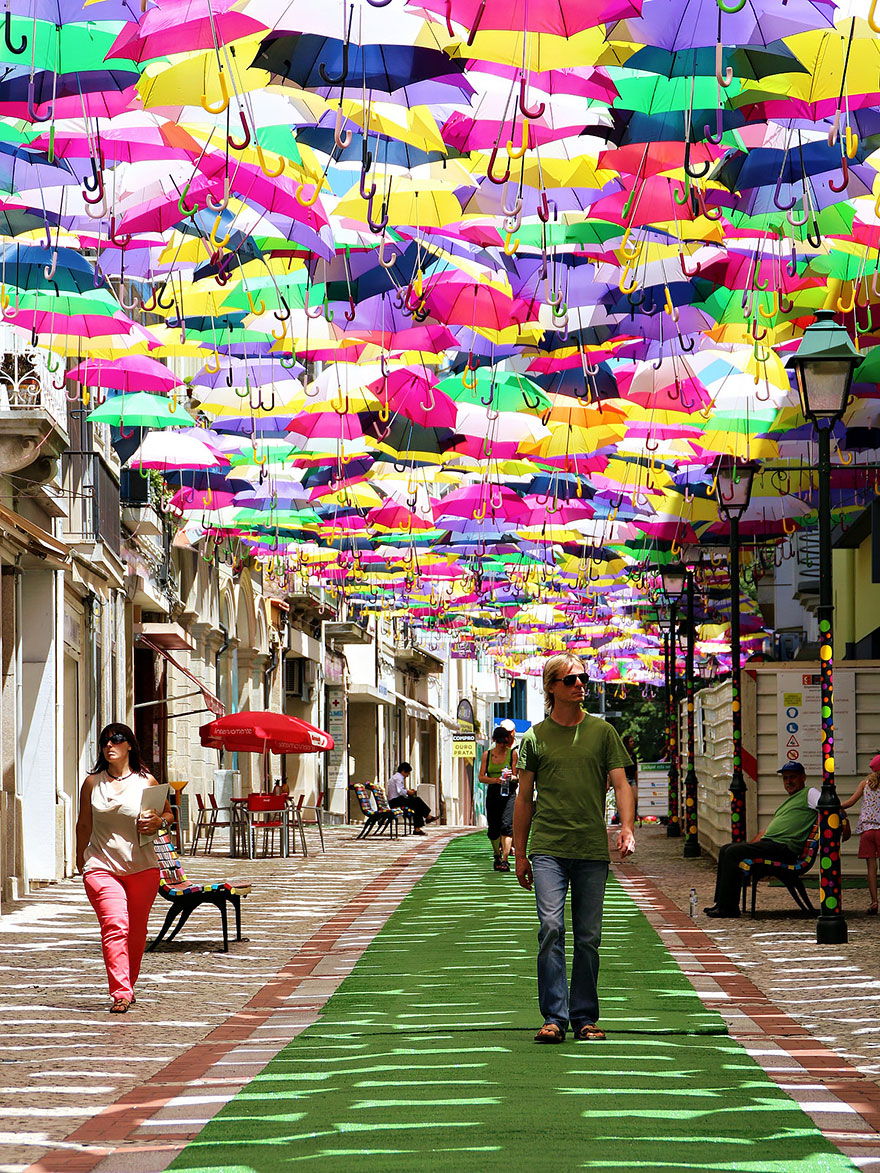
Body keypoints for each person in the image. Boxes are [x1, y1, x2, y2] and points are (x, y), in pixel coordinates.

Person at [514, 653, 634, 1044]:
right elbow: (524, 798)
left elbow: (621, 783)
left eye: (583, 678)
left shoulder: (603, 733)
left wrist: (627, 827)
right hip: (548, 847)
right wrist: (518, 852)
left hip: (590, 849)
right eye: (571, 680)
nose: (581, 684)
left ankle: (584, 1017)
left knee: (588, 936)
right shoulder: (534, 738)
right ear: (551, 687)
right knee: (551, 928)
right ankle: (553, 1015)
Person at [75, 723, 174, 1013]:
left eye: (116, 739)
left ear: (129, 745)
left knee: (136, 931)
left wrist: (159, 823)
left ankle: (127, 987)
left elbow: (167, 815)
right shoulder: (93, 783)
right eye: (105, 741)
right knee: (115, 925)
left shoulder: (146, 781)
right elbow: (84, 824)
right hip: (101, 866)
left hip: (143, 868)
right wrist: (83, 861)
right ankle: (120, 992)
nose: (110, 745)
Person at [703, 761, 820, 919]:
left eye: (793, 777)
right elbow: (767, 831)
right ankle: (721, 903)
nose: (789, 782)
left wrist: (844, 822)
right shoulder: (789, 801)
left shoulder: (809, 793)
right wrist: (750, 846)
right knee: (726, 849)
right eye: (785, 778)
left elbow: (830, 806)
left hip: (784, 849)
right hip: (771, 845)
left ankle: (729, 908)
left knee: (732, 852)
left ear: (803, 777)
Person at [841, 753, 880, 915]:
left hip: (867, 832)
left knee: (871, 868)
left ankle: (874, 902)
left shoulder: (865, 784)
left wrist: (834, 806)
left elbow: (849, 803)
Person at [479, 725, 518, 872]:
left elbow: (517, 777)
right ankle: (496, 854)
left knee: (506, 825)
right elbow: (481, 777)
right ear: (495, 740)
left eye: (504, 742)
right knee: (493, 828)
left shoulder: (512, 754)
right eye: (499, 742)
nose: (502, 745)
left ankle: (505, 859)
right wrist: (496, 780)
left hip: (509, 792)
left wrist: (509, 777)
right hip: (494, 792)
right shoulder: (487, 755)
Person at [387, 762, 434, 835]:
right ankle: (427, 817)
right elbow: (400, 791)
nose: (407, 776)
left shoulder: (395, 777)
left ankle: (418, 829)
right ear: (403, 771)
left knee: (416, 805)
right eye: (407, 773)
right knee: (417, 800)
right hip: (395, 801)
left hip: (395, 800)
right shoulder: (399, 777)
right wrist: (408, 792)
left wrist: (407, 792)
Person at [622, 734, 639, 821]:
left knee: (635, 798)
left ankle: (633, 815)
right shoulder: (621, 755)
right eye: (631, 741)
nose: (633, 743)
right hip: (624, 779)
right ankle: (625, 817)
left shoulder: (633, 755)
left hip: (631, 778)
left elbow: (635, 769)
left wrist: (637, 781)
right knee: (625, 799)